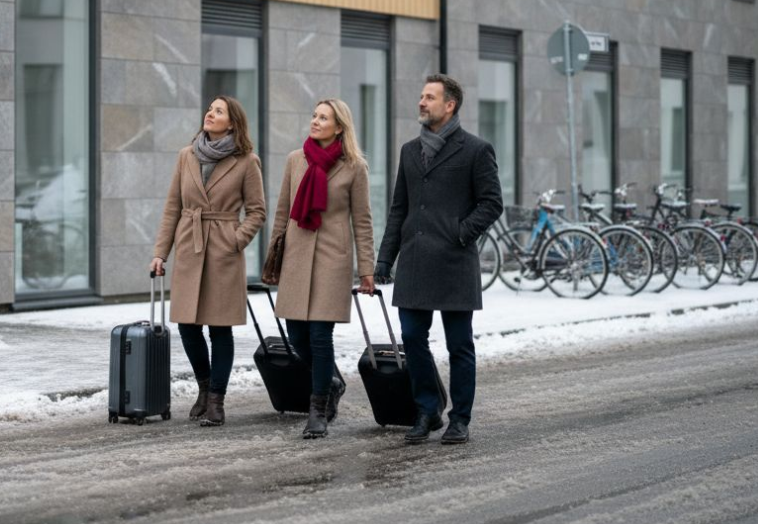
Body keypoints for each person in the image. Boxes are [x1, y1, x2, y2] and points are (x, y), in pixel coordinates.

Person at [374, 74, 503, 445]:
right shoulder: (410, 151)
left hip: (454, 261)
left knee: (458, 343)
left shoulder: (476, 150)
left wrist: (460, 233)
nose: (421, 102)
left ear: (450, 105)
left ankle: (459, 417)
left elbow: (492, 202)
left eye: (429, 97)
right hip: (414, 262)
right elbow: (399, 208)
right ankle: (427, 410)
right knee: (413, 338)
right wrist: (385, 259)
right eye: (421, 96)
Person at [263, 99, 376, 439]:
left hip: (332, 258)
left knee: (319, 335)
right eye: (314, 115)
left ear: (339, 126)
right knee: (297, 336)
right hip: (297, 256)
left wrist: (367, 269)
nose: (315, 121)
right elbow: (282, 211)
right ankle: (331, 382)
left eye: (323, 117)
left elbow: (363, 220)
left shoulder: (354, 167)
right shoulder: (295, 160)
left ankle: (318, 410)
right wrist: (274, 257)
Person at [151, 96, 266, 427]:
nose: (210, 114)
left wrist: (235, 239)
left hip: (222, 249)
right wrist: (161, 252)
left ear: (232, 123)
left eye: (218, 111)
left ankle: (216, 400)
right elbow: (173, 206)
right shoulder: (187, 156)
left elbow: (257, 211)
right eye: (210, 109)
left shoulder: (246, 161)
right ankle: (204, 387)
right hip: (190, 245)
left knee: (219, 327)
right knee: (187, 325)